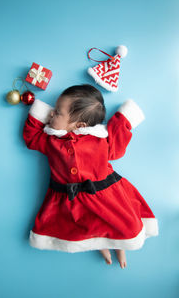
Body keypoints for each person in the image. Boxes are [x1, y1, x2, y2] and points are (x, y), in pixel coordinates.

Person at [23, 84, 158, 268]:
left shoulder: (100, 140)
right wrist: (40, 112)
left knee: (119, 224)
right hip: (70, 200)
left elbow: (117, 146)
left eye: (57, 112)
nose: (51, 115)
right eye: (53, 111)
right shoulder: (52, 141)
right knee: (86, 228)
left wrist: (123, 118)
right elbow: (31, 137)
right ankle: (100, 246)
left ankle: (120, 246)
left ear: (79, 125)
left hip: (104, 195)